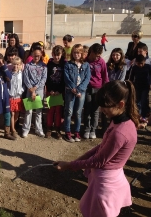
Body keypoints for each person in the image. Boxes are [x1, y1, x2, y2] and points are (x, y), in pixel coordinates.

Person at [54, 80, 139, 217]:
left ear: (120, 104)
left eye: (105, 107)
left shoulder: (120, 133)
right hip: (110, 178)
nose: (101, 110)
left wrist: (70, 165)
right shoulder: (121, 121)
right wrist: (76, 161)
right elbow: (101, 147)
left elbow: (99, 161)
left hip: (106, 185)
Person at [63, 44, 91, 142]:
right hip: (70, 91)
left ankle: (77, 131)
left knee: (78, 112)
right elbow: (67, 78)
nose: (76, 54)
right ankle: (67, 131)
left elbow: (87, 78)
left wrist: (79, 90)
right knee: (69, 111)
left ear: (82, 53)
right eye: (74, 52)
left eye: (78, 53)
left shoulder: (86, 65)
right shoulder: (68, 64)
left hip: (81, 92)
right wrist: (74, 89)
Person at [83, 43, 108, 139]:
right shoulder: (85, 61)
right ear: (92, 52)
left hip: (98, 89)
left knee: (96, 111)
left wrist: (104, 90)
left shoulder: (101, 62)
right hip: (87, 88)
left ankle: (93, 130)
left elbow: (105, 77)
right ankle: (86, 129)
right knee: (87, 110)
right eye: (97, 55)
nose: (98, 57)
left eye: (100, 55)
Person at [22, 46, 47, 138]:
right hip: (30, 90)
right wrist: (31, 89)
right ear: (32, 54)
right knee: (29, 111)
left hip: (39, 91)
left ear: (40, 55)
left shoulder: (44, 66)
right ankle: (26, 129)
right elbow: (26, 78)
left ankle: (38, 129)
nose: (36, 57)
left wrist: (35, 88)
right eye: (35, 55)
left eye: (38, 56)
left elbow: (44, 79)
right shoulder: (28, 66)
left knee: (39, 111)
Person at [0, 53, 16, 141]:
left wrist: (3, 66)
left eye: (0, 62)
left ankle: (7, 133)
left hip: (5, 95)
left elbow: (9, 77)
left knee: (7, 114)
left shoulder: (3, 69)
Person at [102, 48, 127, 131]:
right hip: (108, 90)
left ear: (121, 56)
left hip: (117, 90)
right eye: (113, 55)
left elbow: (121, 79)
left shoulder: (124, 66)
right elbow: (106, 77)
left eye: (117, 55)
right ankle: (104, 127)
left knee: (115, 110)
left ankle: (113, 127)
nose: (115, 57)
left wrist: (114, 87)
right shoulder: (107, 65)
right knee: (105, 109)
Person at [45, 45, 66, 140]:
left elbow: (64, 80)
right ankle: (49, 128)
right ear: (52, 54)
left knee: (58, 111)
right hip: (51, 92)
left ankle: (57, 129)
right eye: (55, 55)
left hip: (59, 93)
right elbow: (47, 79)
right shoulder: (49, 65)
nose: (57, 57)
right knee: (50, 111)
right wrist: (50, 90)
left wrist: (59, 91)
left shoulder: (64, 65)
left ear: (61, 54)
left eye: (59, 55)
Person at [129, 55, 151, 124]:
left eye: (141, 63)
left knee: (144, 101)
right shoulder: (134, 68)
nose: (140, 65)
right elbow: (131, 77)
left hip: (145, 87)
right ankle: (137, 116)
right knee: (137, 102)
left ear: (144, 62)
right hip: (137, 87)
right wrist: (130, 85)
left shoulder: (148, 67)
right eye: (138, 63)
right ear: (136, 62)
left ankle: (143, 116)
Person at [8, 57, 24, 139]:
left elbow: (24, 84)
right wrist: (8, 92)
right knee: (12, 113)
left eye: (18, 64)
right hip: (11, 96)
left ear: (20, 65)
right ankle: (13, 130)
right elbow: (7, 84)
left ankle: (13, 126)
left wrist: (22, 90)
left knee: (17, 114)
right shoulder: (9, 73)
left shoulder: (22, 74)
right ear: (12, 64)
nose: (16, 66)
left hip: (18, 96)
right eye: (14, 64)